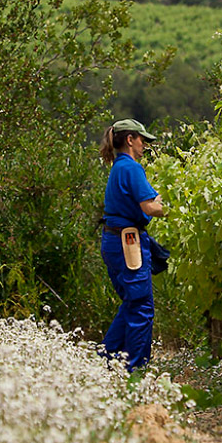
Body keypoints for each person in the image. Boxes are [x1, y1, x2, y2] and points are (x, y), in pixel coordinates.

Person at [97, 118, 166, 373]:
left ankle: (105, 361)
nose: (145, 145)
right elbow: (149, 206)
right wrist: (173, 207)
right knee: (141, 307)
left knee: (132, 303)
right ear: (130, 140)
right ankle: (134, 370)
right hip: (129, 243)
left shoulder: (119, 167)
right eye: (142, 140)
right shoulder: (132, 168)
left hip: (115, 241)